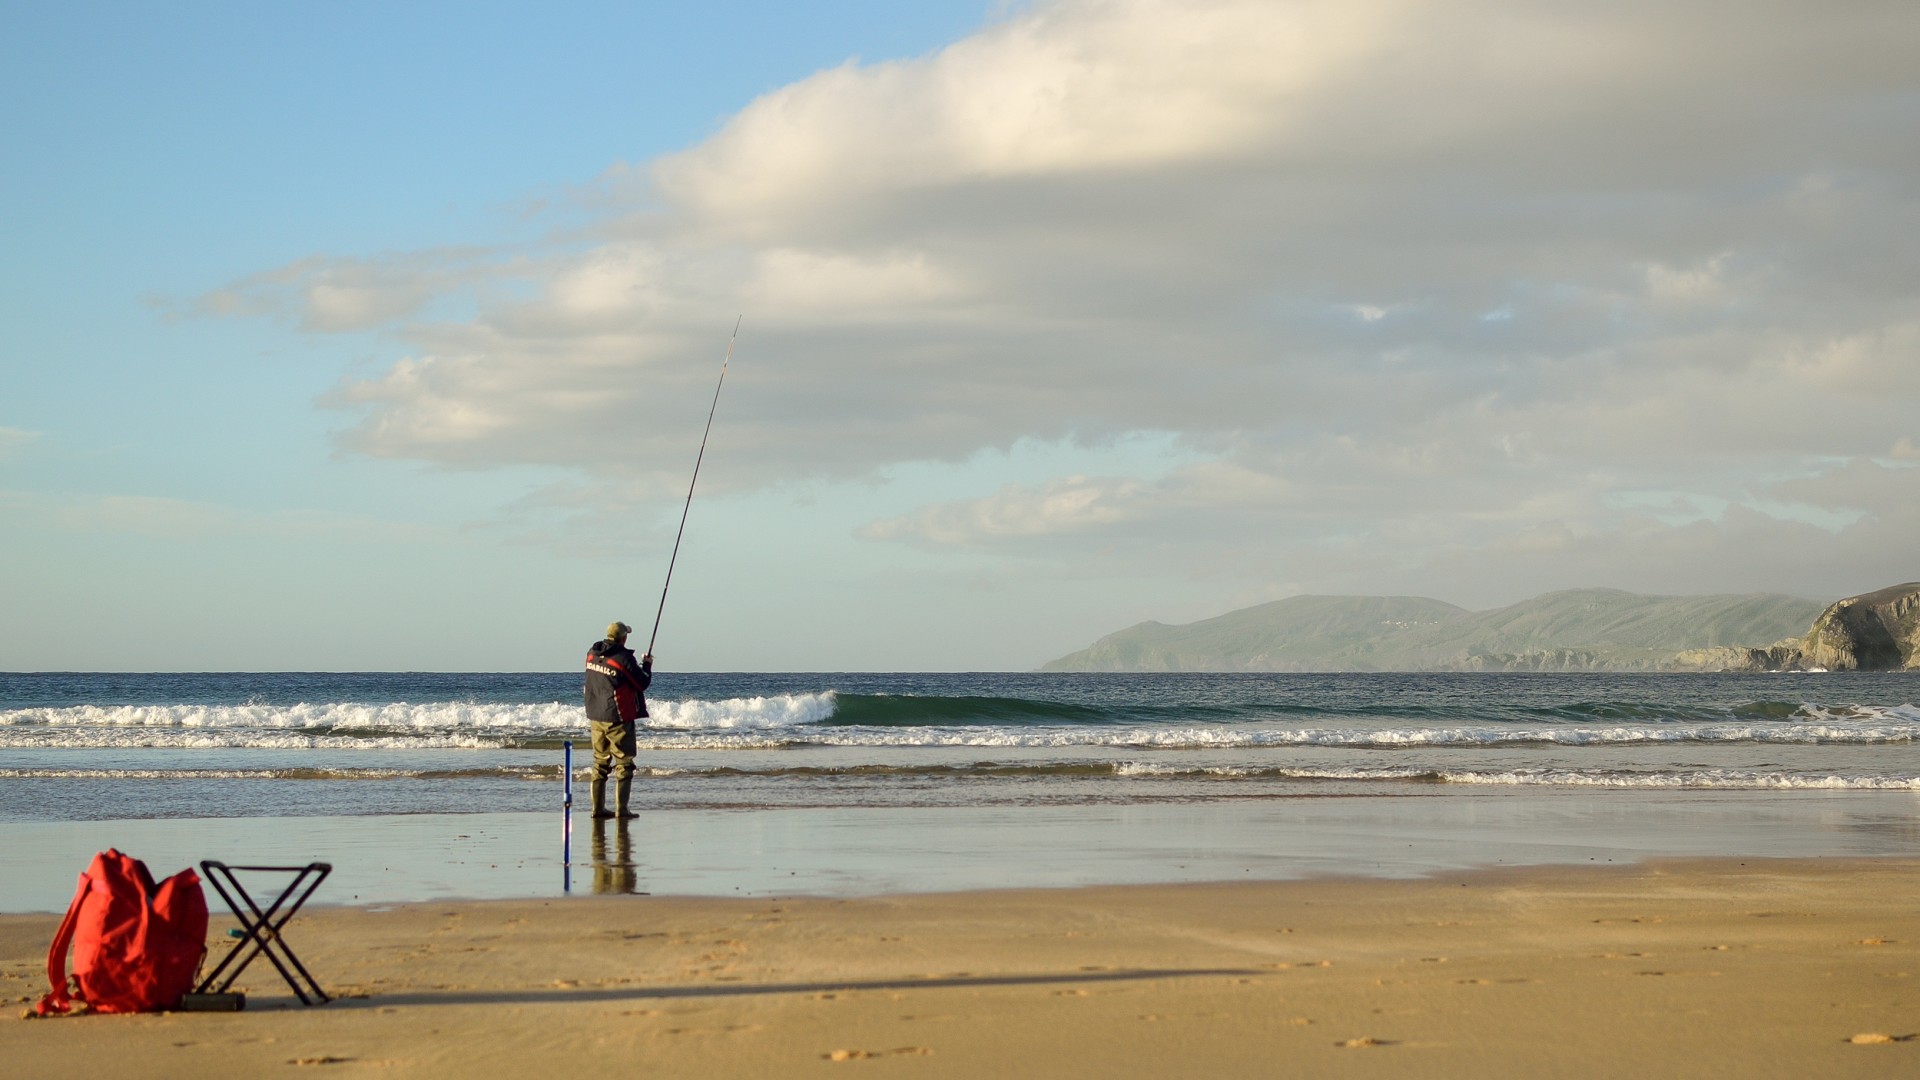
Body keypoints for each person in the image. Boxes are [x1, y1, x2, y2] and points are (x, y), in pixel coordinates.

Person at [582, 621, 652, 819]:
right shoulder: (623, 658)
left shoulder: (592, 653)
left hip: (595, 715)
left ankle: (597, 809)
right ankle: (622, 809)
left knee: (600, 763)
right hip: (617, 718)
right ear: (624, 638)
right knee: (624, 763)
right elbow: (642, 682)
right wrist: (647, 664)